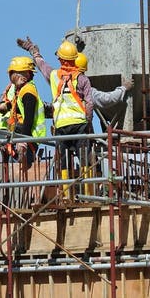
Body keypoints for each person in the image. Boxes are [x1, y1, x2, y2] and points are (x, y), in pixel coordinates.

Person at [17, 36, 93, 192]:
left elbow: (41, 65)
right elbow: (90, 103)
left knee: (64, 161)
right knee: (85, 160)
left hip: (61, 127)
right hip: (79, 125)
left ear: (60, 59)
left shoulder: (53, 76)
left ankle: (65, 193)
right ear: (74, 59)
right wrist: (88, 121)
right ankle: (88, 193)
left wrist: (34, 51)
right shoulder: (83, 79)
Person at [1, 56, 46, 167]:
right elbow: (19, 109)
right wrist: (7, 106)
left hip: (28, 137)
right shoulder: (21, 90)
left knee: (24, 171)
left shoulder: (28, 92)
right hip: (21, 134)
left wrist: (23, 140)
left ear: (25, 75)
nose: (11, 76)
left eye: (13, 73)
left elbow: (28, 118)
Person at [74, 52, 134, 125]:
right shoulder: (85, 91)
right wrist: (124, 88)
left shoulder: (60, 87)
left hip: (62, 131)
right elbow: (107, 99)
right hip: (79, 127)